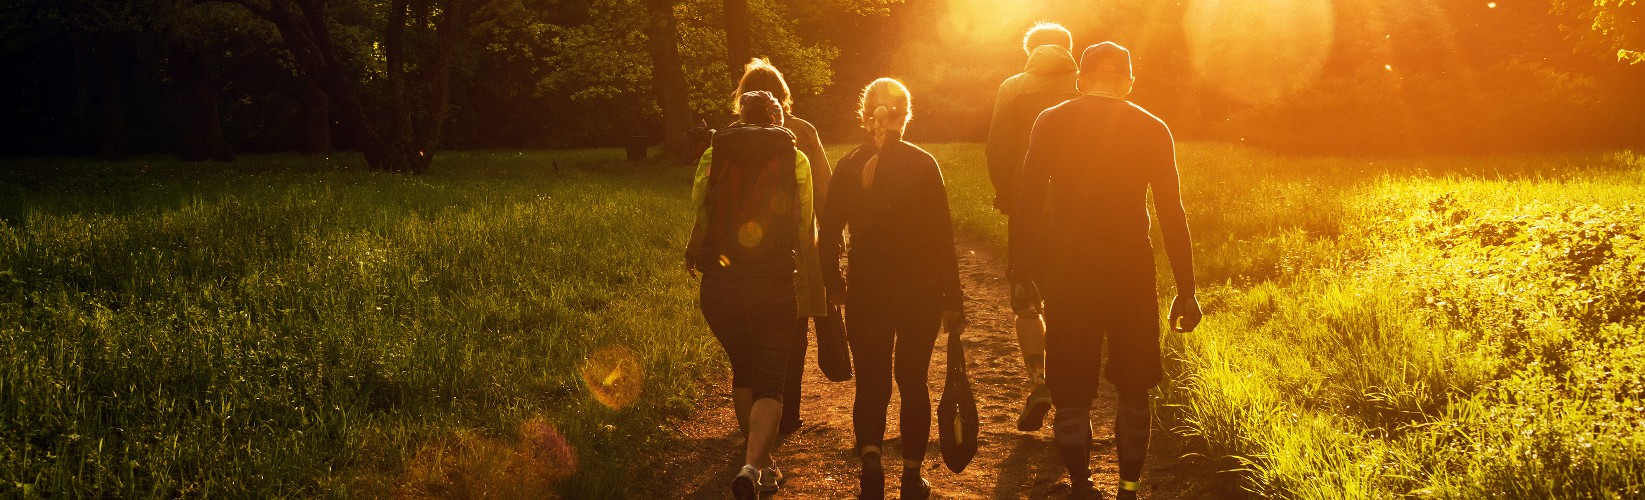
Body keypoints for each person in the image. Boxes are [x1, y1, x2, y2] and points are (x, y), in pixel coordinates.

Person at [1011, 42, 1203, 500]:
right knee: (1135, 389)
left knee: (1072, 390)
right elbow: (1171, 211)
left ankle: (1080, 485)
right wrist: (1187, 288)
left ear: (1081, 79)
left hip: (1069, 272)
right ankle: (1129, 488)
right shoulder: (1153, 128)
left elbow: (1029, 202)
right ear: (1129, 82)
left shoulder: (1051, 121)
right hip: (1131, 272)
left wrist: (1021, 273)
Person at [821, 78, 966, 500]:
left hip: (867, 291)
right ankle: (911, 473)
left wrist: (835, 284)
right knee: (913, 381)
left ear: (866, 117)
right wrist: (952, 298)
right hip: (919, 293)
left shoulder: (848, 165)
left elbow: (827, 234)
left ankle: (870, 461)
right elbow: (943, 238)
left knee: (871, 383)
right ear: (905, 115)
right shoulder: (923, 164)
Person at [685, 90, 829, 499]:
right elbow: (803, 224)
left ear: (740, 115)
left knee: (743, 369)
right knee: (770, 377)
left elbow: (701, 210)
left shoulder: (714, 155)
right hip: (773, 281)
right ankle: (755, 466)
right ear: (775, 117)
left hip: (721, 282)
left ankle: (760, 465)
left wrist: (702, 249)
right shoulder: (794, 157)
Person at [985, 21, 1080, 433]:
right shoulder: (1087, 85)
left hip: (1028, 210)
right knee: (1070, 301)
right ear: (1068, 49)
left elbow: (998, 149)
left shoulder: (1012, 87)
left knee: (1026, 296)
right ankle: (1071, 396)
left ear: (1030, 51)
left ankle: (1039, 382)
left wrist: (1009, 196)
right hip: (1079, 215)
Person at [731, 57, 834, 434]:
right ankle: (786, 415)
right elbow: (823, 191)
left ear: (744, 98)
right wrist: (832, 243)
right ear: (782, 95)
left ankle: (755, 414)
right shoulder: (802, 132)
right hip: (795, 252)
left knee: (752, 331)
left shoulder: (729, 136)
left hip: (743, 249)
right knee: (793, 331)